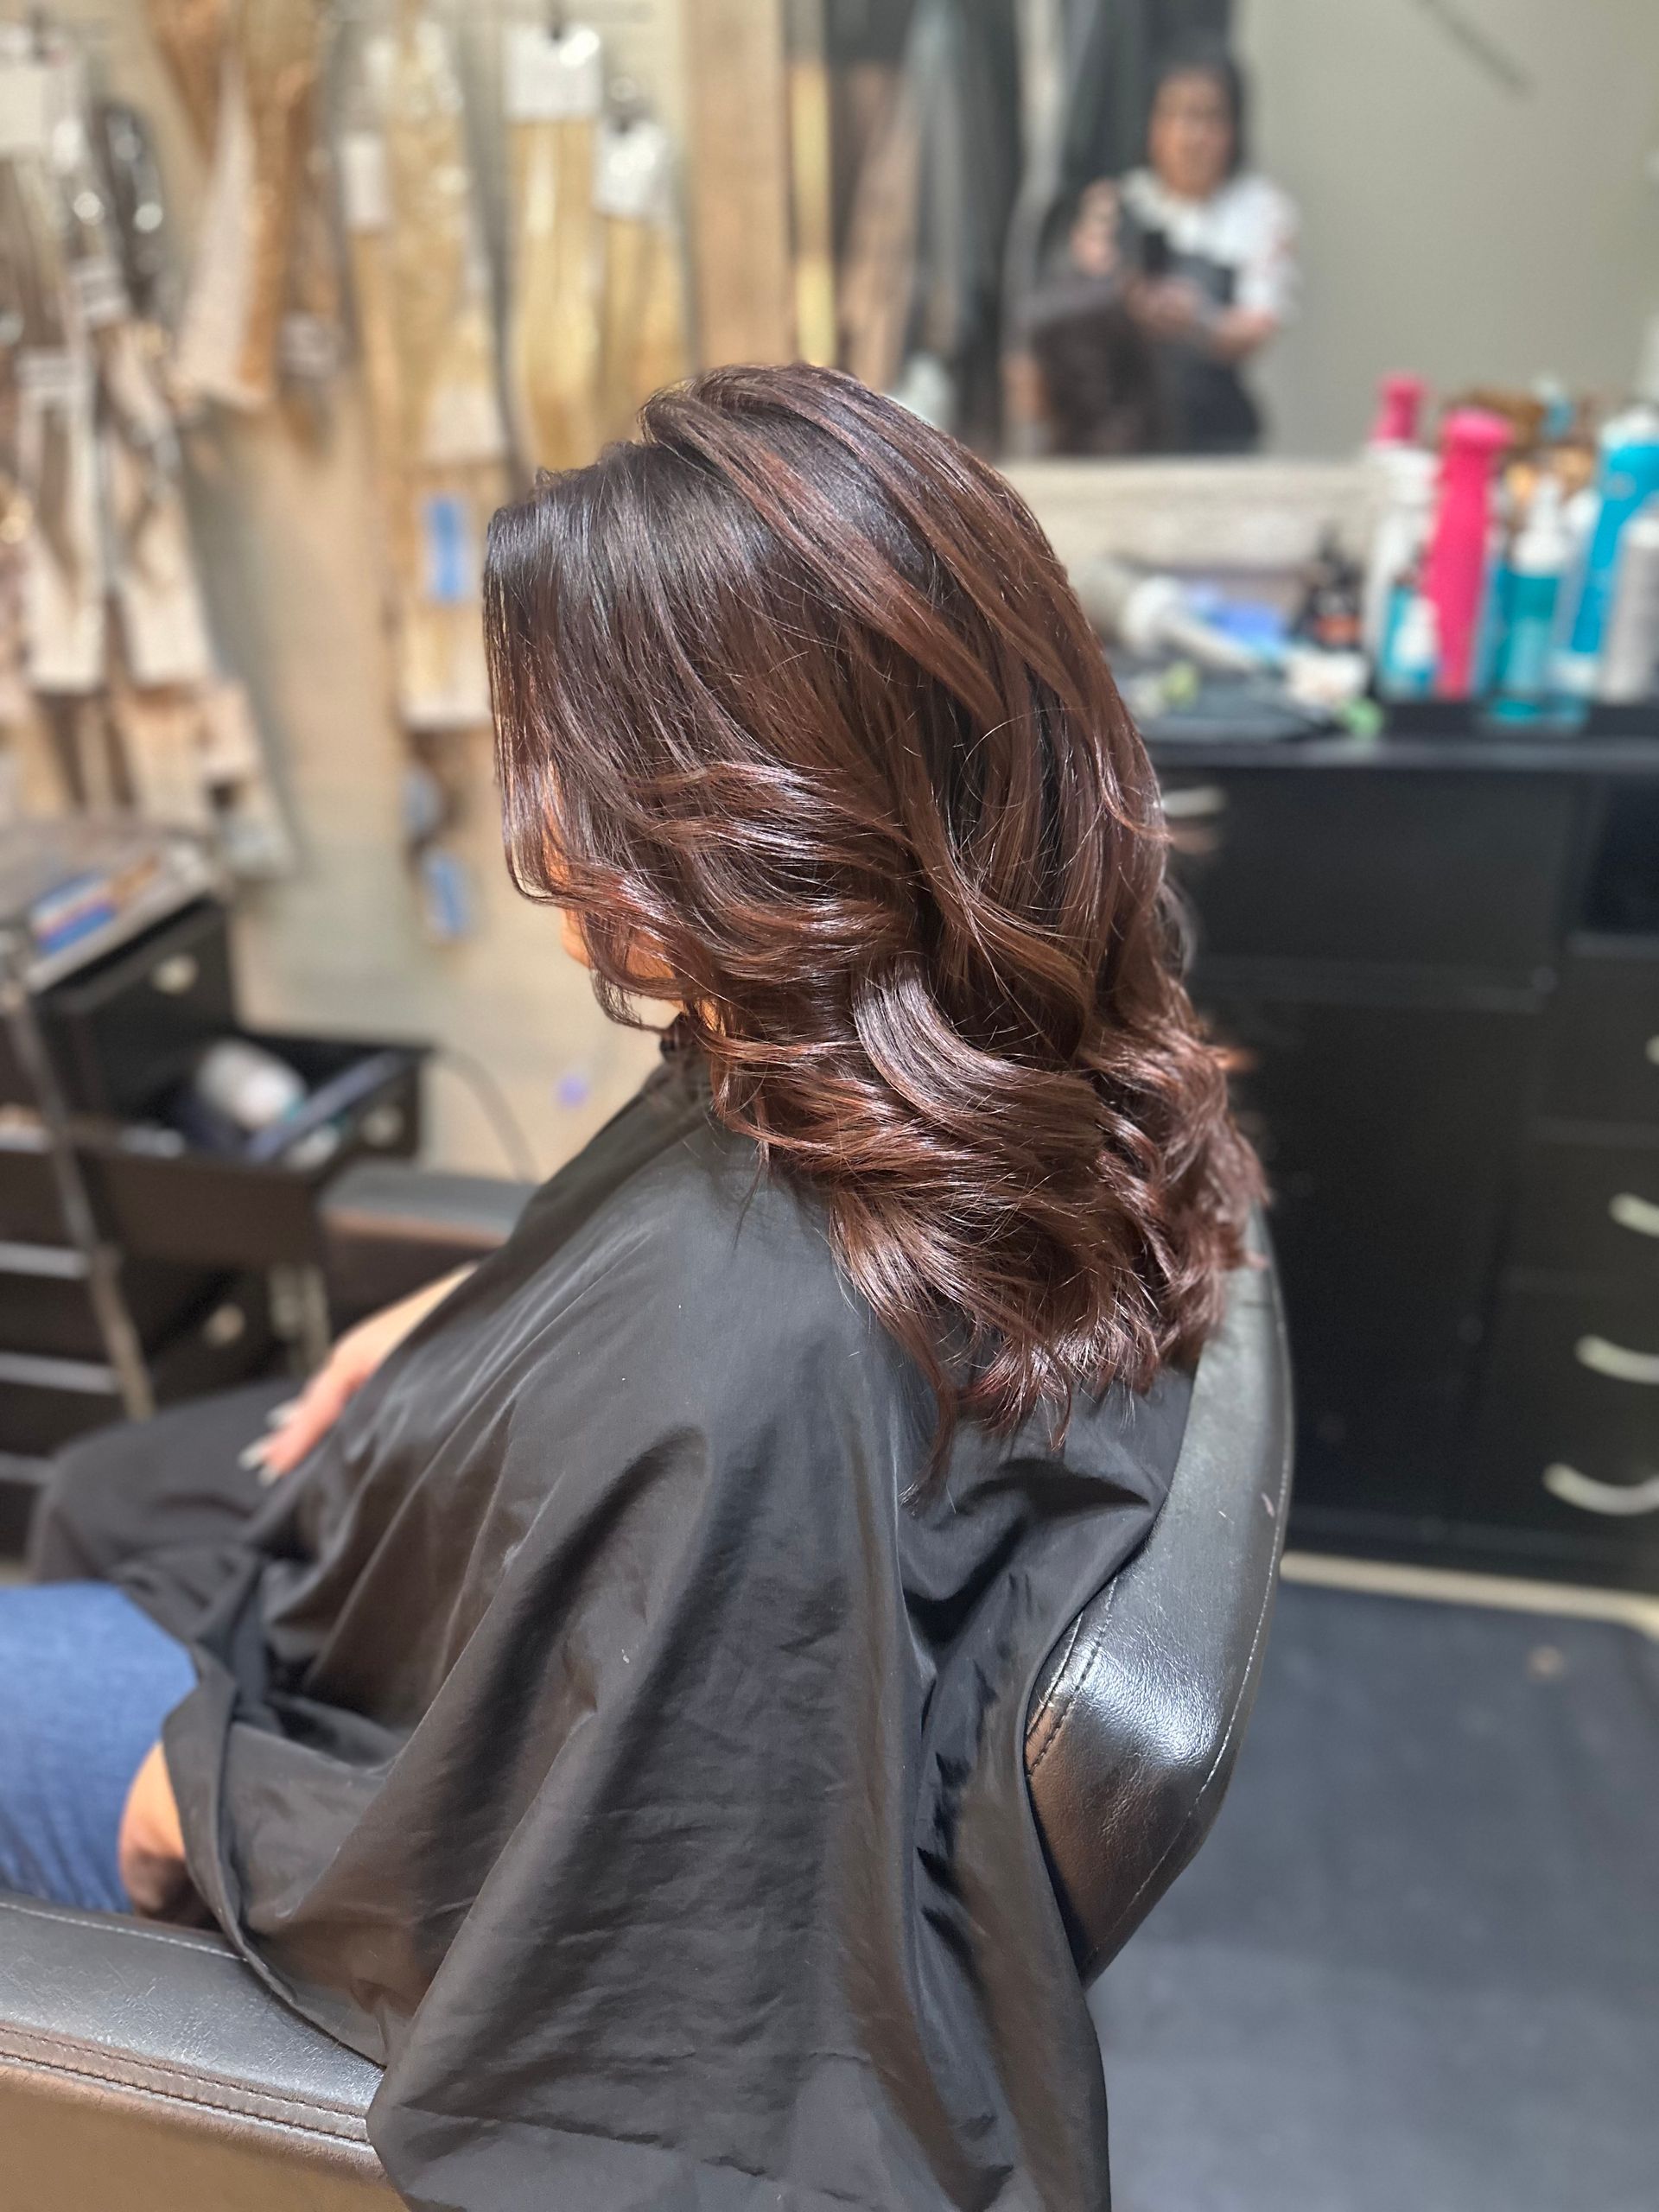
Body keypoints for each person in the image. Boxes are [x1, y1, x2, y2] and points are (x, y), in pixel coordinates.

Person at [5, 364, 1261, 2212]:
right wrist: (464, 1316)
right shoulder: (976, 1037)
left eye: (577, 778)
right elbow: (650, 1282)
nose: (549, 836)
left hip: (355, 1758)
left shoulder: (751, 1359)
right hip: (462, 1585)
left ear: (767, 819)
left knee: (92, 1548)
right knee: (120, 1485)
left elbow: (608, 1929)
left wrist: (204, 1802)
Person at [1065, 38, 1298, 453]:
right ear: (1152, 123)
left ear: (1234, 127)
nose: (1190, 136)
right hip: (1121, 436)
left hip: (1219, 436)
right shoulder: (1117, 203)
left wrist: (1200, 320)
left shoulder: (1262, 211)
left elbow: (1259, 325)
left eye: (1208, 117)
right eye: (1174, 114)